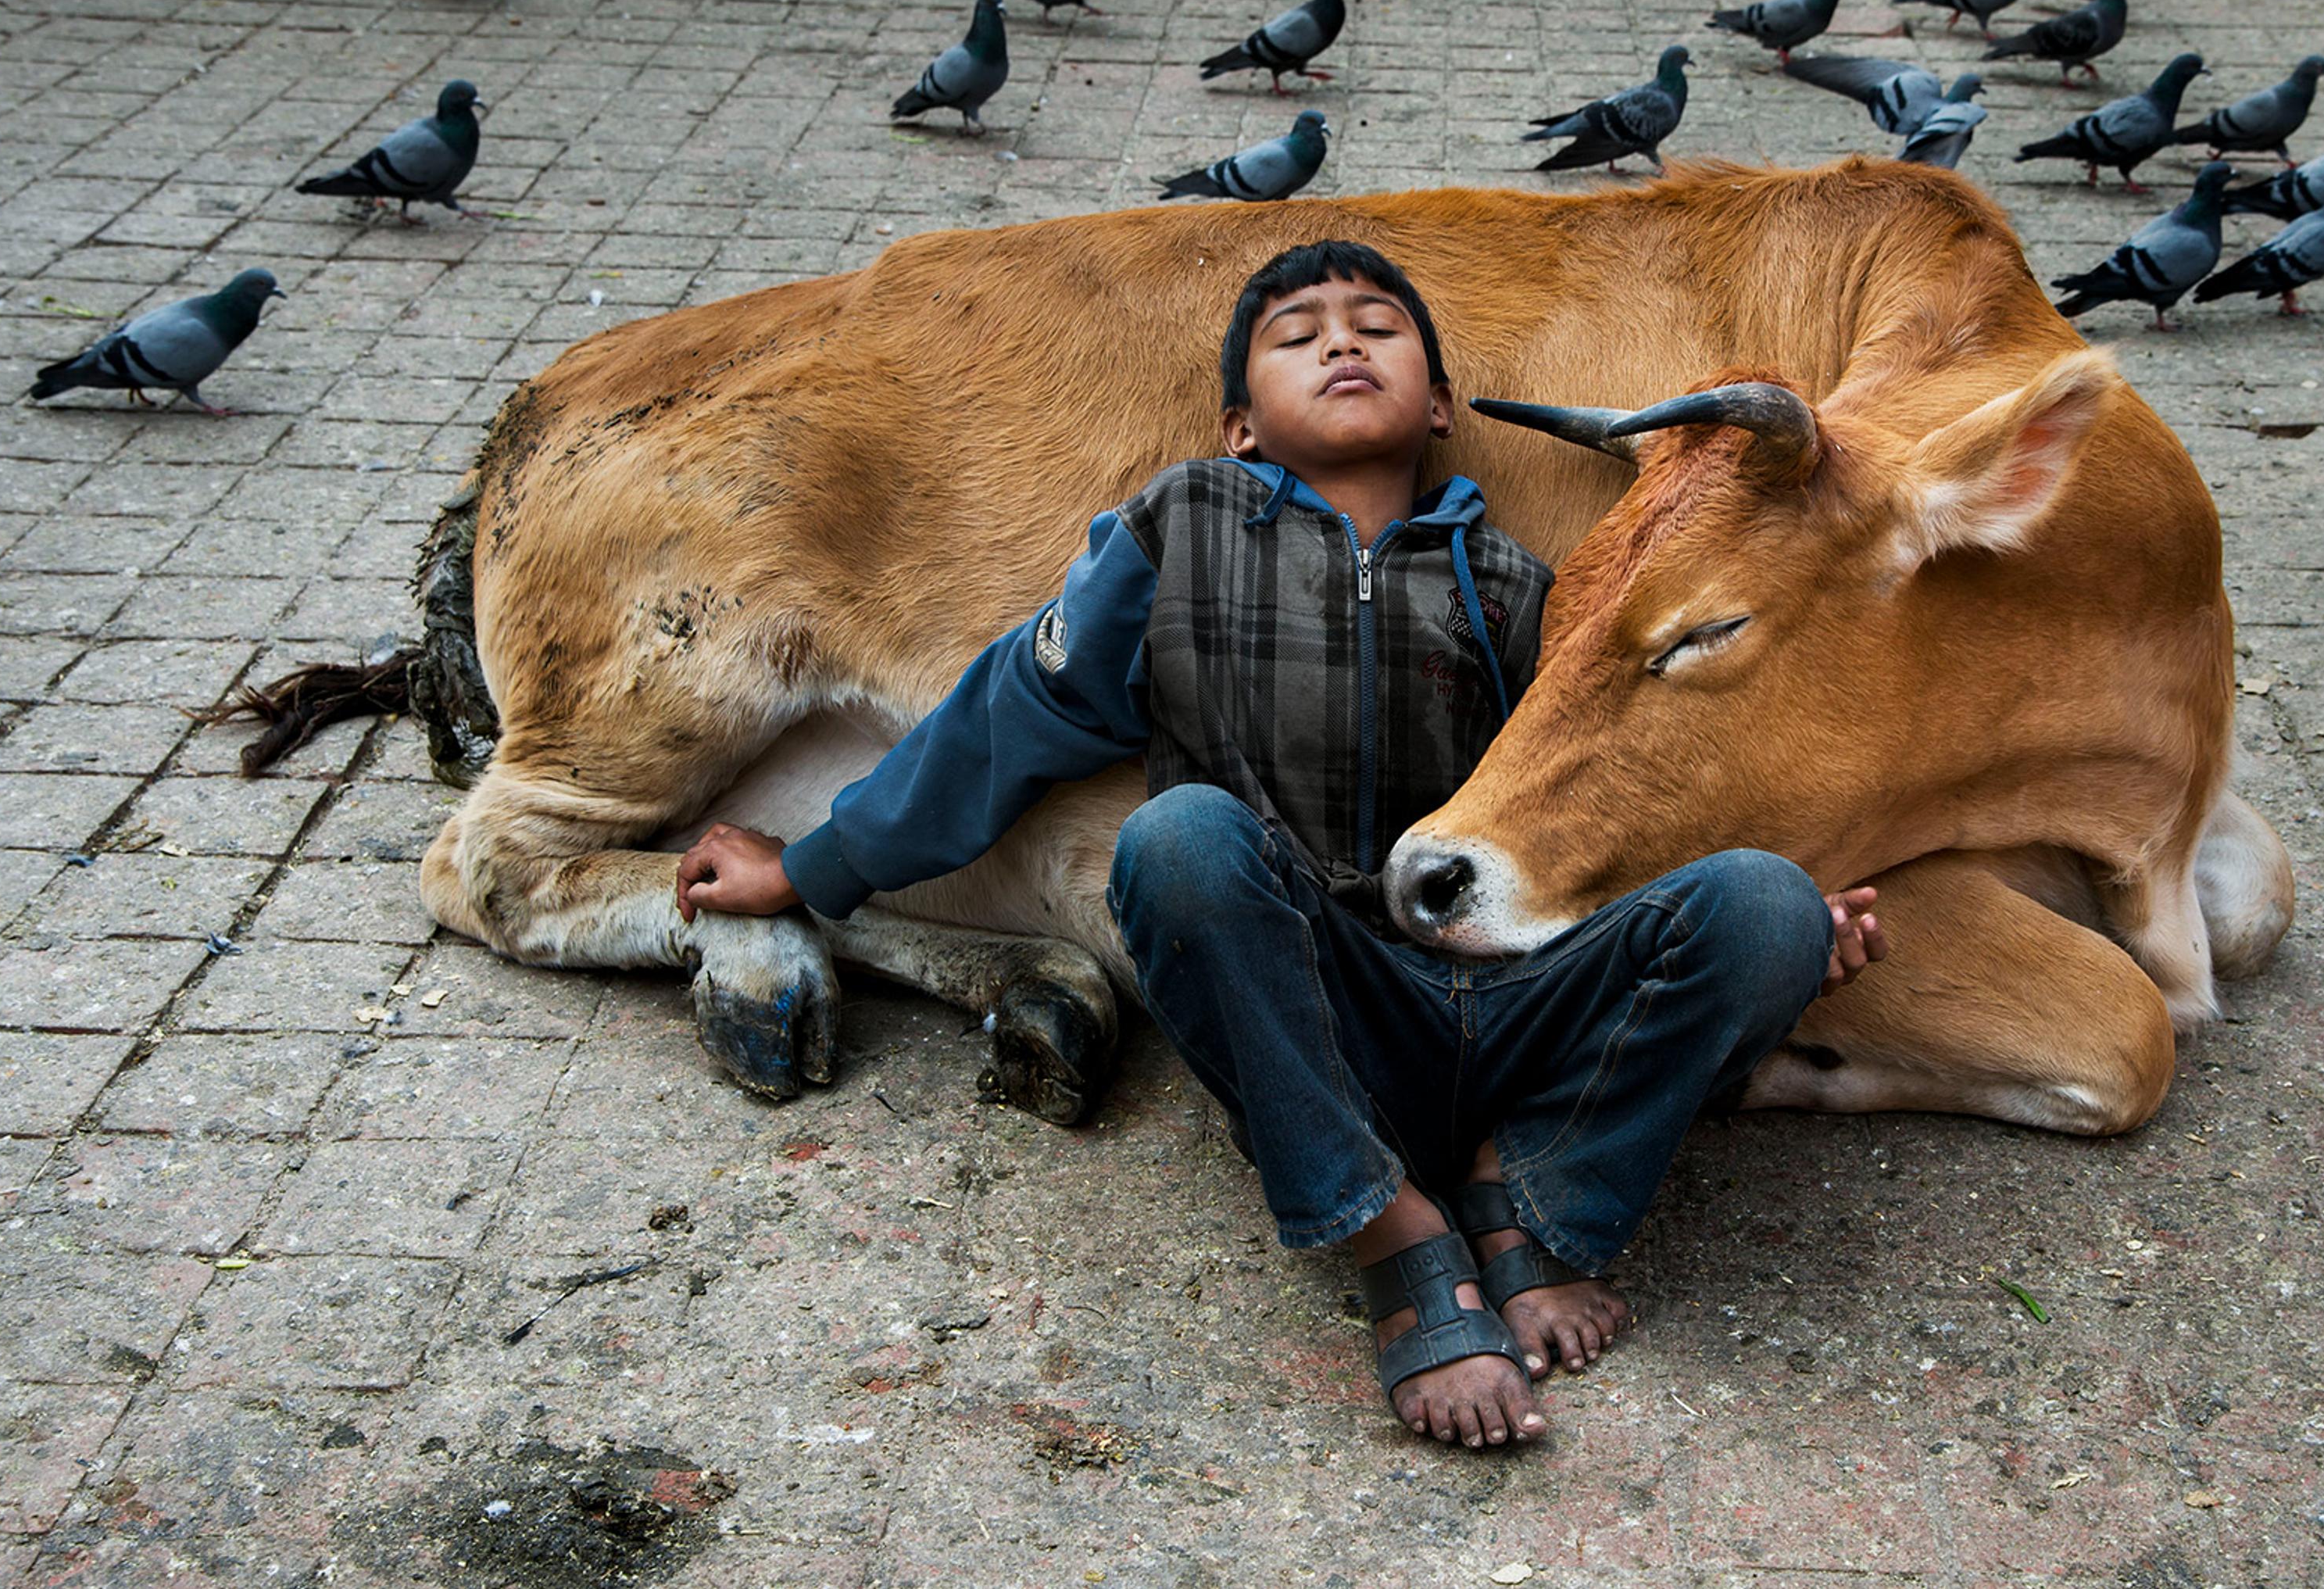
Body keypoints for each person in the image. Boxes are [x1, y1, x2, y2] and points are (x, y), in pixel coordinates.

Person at [673, 241, 1880, 1449]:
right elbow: (1001, 722)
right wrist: (807, 866)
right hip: (1317, 1018)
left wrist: (1785, 942)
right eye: (1297, 336)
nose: (1342, 342)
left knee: (1767, 902)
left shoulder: (1519, 587)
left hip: (1511, 1001)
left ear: (1444, 403)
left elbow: (1593, 804)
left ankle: (1533, 1207)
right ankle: (1388, 1230)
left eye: (1378, 327)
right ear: (1241, 426)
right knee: (1181, 839)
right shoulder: (1177, 530)